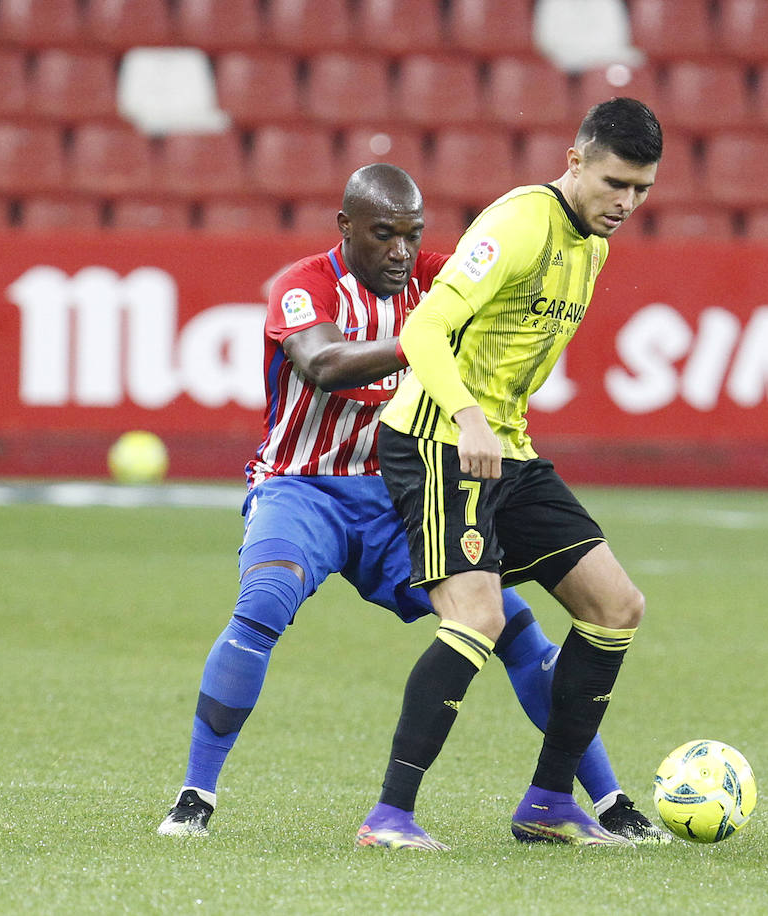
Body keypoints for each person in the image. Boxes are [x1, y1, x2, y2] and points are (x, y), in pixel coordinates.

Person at [156, 163, 668, 845]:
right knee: (265, 601)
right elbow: (323, 364)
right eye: (382, 235)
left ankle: (604, 800)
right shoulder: (302, 287)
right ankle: (196, 795)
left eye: (411, 235)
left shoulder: (435, 276)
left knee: (505, 624)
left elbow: (496, 292)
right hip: (301, 488)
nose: (400, 251)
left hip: (396, 495)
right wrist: (421, 341)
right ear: (345, 229)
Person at [357, 98, 663, 849]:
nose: (625, 203)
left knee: (616, 605)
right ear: (574, 163)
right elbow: (424, 327)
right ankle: (389, 816)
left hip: (505, 448)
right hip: (436, 437)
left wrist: (492, 427)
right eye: (614, 183)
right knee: (478, 618)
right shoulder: (520, 224)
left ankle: (549, 804)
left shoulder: (592, 243)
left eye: (642, 190)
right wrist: (466, 417)